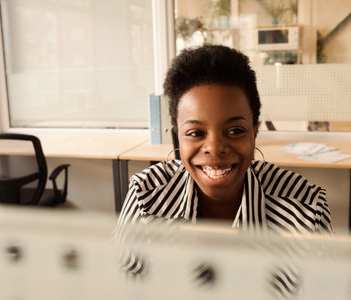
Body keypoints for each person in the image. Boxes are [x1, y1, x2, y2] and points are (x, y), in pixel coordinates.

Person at [115, 45, 333, 292]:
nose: (215, 148)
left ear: (255, 131)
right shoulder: (146, 196)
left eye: (235, 131)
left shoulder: (305, 210)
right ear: (178, 137)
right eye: (196, 133)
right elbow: (119, 288)